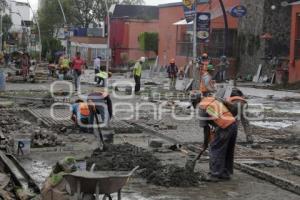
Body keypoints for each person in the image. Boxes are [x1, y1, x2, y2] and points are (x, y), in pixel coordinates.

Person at [199, 96, 238, 182]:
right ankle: (225, 173)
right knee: (227, 149)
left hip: (225, 126)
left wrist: (205, 144)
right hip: (233, 123)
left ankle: (214, 174)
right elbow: (232, 107)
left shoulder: (201, 108)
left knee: (215, 148)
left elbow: (206, 129)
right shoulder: (212, 99)